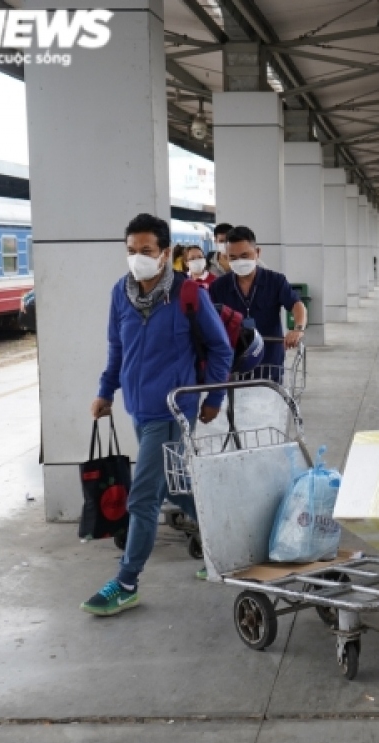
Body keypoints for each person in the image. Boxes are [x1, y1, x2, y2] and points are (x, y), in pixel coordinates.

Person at [84, 213, 233, 616]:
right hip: (138, 406)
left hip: (172, 409)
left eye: (146, 251)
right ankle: (228, 540)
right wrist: (105, 391)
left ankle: (127, 582)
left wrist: (213, 399)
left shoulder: (188, 294)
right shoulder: (121, 292)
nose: (138, 259)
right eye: (131, 251)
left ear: (166, 254)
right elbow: (117, 349)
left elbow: (221, 349)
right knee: (172, 486)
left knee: (144, 495)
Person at [209, 226, 307, 382]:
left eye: (244, 255)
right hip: (234, 362)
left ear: (257, 253)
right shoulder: (219, 286)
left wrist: (298, 329)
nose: (239, 261)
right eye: (233, 257)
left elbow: (296, 304)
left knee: (272, 402)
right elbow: (209, 318)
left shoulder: (275, 281)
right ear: (226, 257)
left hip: (270, 362)